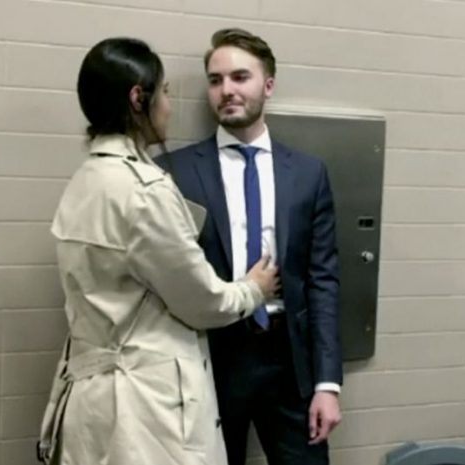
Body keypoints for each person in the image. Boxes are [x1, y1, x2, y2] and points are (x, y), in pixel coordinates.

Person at [36, 37, 279, 465]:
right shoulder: (143, 192)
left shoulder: (86, 180)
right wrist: (253, 289)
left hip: (92, 402)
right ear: (138, 99)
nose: (168, 106)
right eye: (164, 92)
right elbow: (203, 301)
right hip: (142, 411)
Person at [158, 28, 342, 465]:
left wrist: (327, 384)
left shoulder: (308, 174)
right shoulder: (173, 172)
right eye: (216, 80)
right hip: (212, 356)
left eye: (240, 77)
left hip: (288, 358)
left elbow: (323, 281)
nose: (227, 90)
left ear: (268, 85)